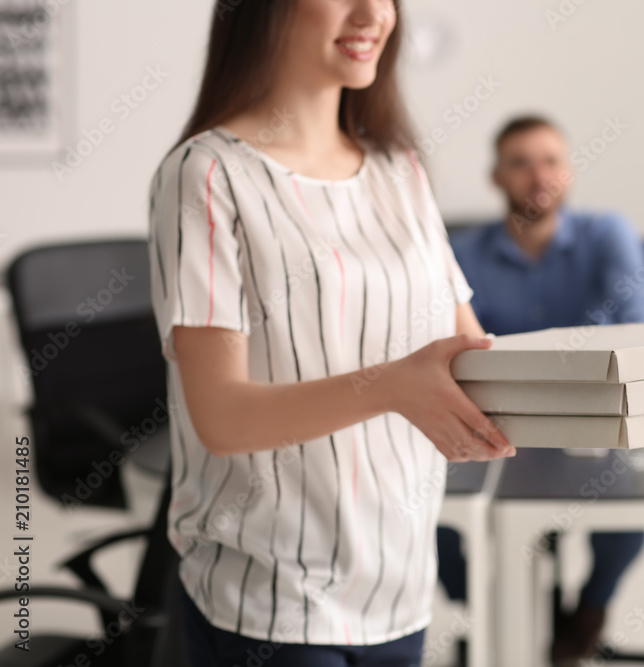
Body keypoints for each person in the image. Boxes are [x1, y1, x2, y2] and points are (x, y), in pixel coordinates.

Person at [147, 2, 513, 666]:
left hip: (400, 589)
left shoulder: (399, 171)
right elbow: (221, 416)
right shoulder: (207, 174)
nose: (374, 13)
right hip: (268, 599)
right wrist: (393, 387)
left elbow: (471, 352)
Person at [443, 115, 644, 665]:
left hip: (592, 423)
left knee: (626, 511)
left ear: (569, 173)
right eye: (519, 163)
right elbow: (451, 355)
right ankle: (510, 614)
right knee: (442, 527)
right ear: (495, 177)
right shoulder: (464, 254)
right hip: (498, 429)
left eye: (549, 160)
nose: (536, 175)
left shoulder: (607, 235)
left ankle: (587, 615)